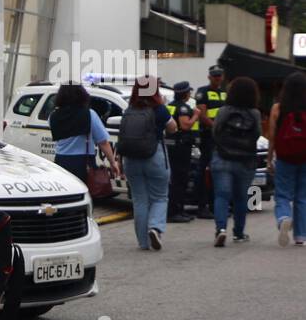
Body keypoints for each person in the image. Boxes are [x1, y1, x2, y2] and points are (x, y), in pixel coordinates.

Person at [119, 76, 176, 251]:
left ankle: (143, 243)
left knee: (139, 200)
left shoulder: (129, 109)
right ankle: (155, 227)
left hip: (131, 159)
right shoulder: (159, 109)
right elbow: (173, 128)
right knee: (159, 197)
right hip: (154, 156)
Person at [210, 76, 264, 246]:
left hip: (223, 157)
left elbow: (215, 131)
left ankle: (221, 229)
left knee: (221, 195)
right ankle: (239, 233)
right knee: (241, 197)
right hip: (245, 160)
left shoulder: (224, 110)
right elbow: (256, 134)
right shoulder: (255, 113)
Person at [48, 81, 120, 186]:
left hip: (60, 160)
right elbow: (103, 142)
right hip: (83, 163)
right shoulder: (89, 114)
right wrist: (113, 162)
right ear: (82, 95)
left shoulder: (53, 116)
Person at [267, 72, 306, 246]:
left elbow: (272, 136)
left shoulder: (278, 108)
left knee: (282, 194)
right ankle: (301, 236)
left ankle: (283, 217)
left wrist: (269, 159)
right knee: (302, 197)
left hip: (285, 157)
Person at [194, 65, 227, 219]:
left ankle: (216, 206)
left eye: (219, 75)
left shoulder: (225, 93)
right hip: (208, 138)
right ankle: (202, 206)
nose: (217, 78)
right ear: (209, 77)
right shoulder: (203, 92)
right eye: (215, 75)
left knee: (219, 172)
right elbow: (202, 115)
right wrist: (217, 128)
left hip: (222, 139)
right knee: (204, 171)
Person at [164, 81, 197, 222]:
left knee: (174, 180)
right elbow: (185, 125)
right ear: (185, 93)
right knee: (180, 180)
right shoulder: (183, 108)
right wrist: (195, 115)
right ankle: (175, 212)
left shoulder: (169, 106)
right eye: (189, 91)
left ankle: (178, 210)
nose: (190, 93)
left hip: (170, 147)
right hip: (180, 148)